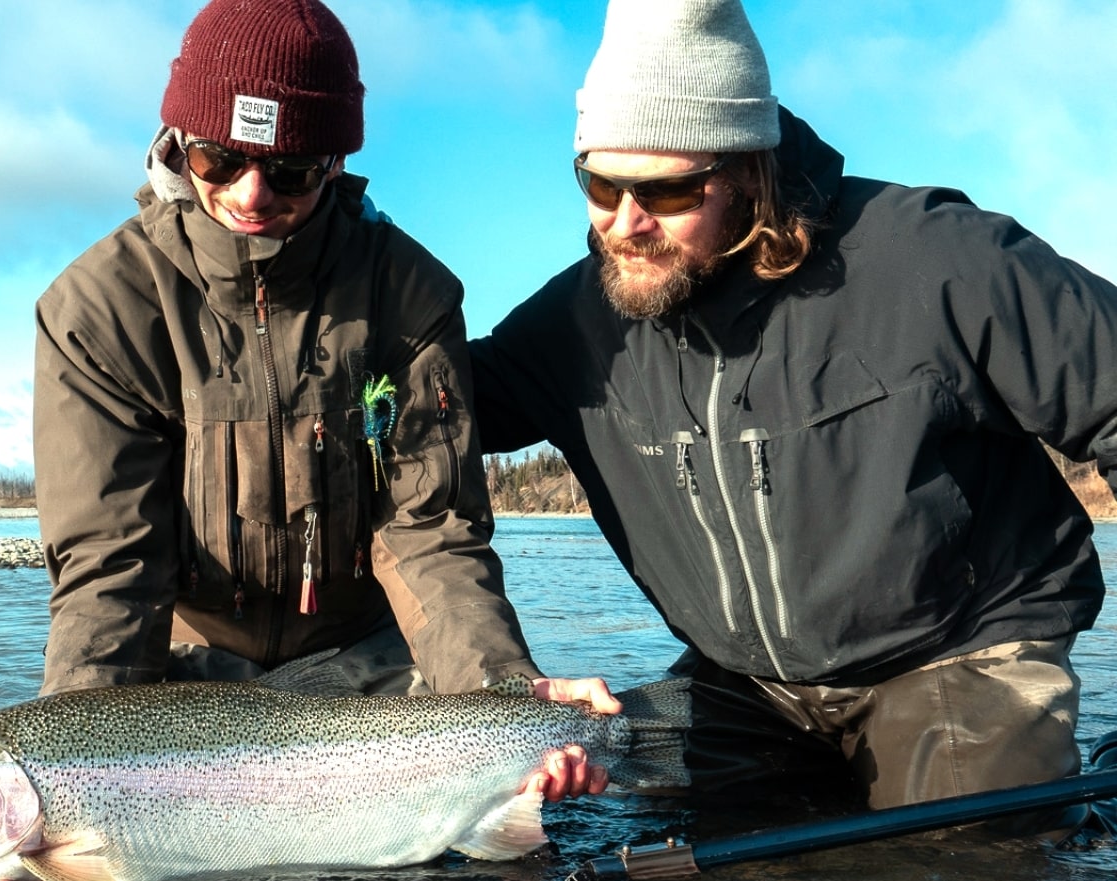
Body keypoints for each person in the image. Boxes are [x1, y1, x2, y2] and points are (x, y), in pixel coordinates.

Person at [470, 0, 1117, 832]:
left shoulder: (937, 257)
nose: (624, 223)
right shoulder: (576, 323)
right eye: (599, 182)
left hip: (957, 651)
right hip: (748, 687)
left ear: (746, 169)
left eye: (666, 189)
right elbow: (430, 404)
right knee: (640, 851)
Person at [32, 0, 613, 804]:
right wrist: (64, 777)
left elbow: (429, 533)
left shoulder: (411, 295)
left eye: (293, 169)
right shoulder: (98, 310)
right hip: (186, 679)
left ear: (336, 161)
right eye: (219, 159)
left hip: (370, 668)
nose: (253, 193)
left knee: (492, 850)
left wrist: (500, 693)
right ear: (175, 144)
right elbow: (111, 567)